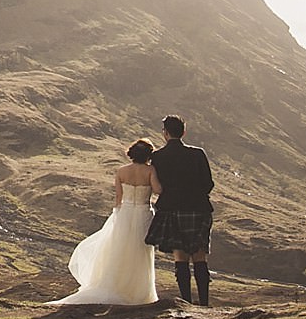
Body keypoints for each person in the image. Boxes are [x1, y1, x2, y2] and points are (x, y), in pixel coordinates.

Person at [49, 139, 161, 305]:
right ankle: (140, 293)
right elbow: (158, 190)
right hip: (143, 212)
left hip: (125, 212)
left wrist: (117, 212)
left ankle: (115, 286)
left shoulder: (122, 171)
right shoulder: (150, 170)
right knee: (140, 250)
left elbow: (118, 196)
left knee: (119, 248)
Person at [145, 114, 215, 306]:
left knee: (180, 256)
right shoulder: (198, 154)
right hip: (198, 209)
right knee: (200, 256)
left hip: (171, 210)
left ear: (165, 134)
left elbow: (157, 185)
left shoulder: (157, 157)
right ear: (184, 132)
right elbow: (208, 183)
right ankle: (204, 303)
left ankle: (186, 302)